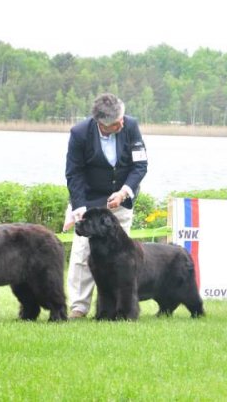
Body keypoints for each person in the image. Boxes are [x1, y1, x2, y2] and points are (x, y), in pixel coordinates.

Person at [63, 93, 148, 319]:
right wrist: (79, 207)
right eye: (117, 122)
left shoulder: (130, 126)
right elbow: (74, 174)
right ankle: (79, 307)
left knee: (121, 257)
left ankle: (118, 307)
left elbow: (140, 165)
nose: (123, 123)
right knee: (82, 254)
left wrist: (124, 192)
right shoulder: (79, 133)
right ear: (102, 124)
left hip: (121, 200)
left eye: (122, 118)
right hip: (90, 203)